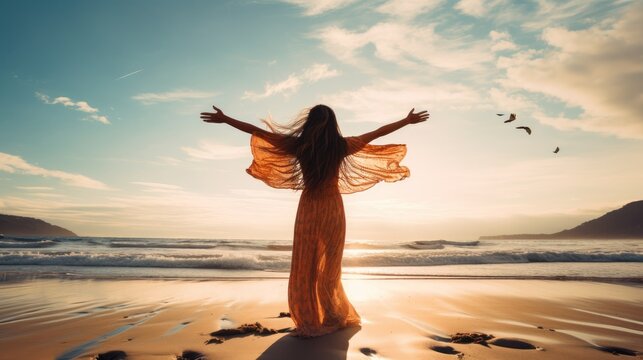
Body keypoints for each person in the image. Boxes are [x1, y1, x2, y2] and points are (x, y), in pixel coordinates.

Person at [200, 104, 429, 337]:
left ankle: (309, 318)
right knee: (330, 266)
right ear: (333, 124)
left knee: (305, 264)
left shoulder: (299, 146)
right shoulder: (341, 146)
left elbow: (256, 131)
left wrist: (226, 118)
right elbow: (378, 132)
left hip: (309, 207)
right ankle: (333, 315)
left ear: (309, 122)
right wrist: (406, 121)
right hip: (332, 207)